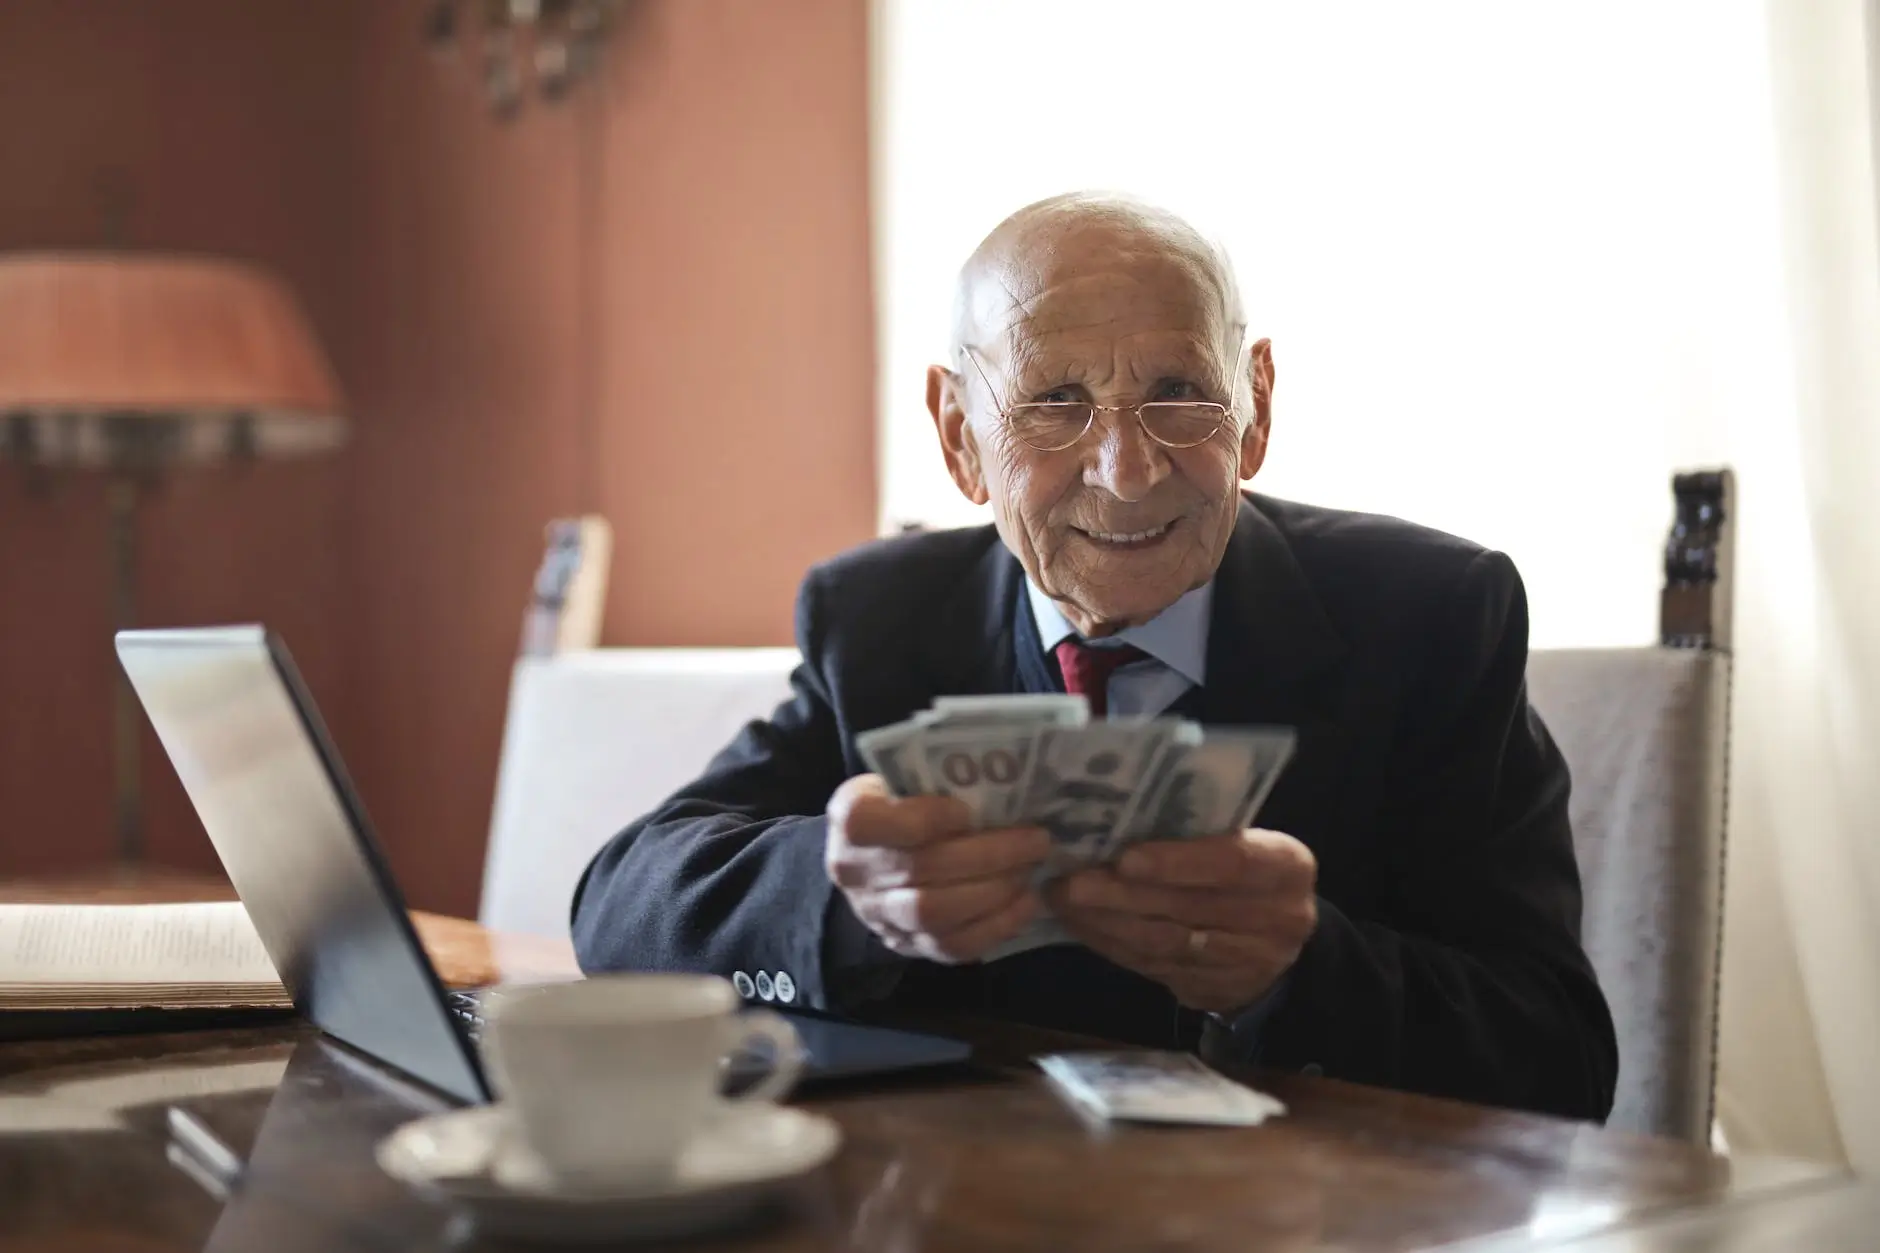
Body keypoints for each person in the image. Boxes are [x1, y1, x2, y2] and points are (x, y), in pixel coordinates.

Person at [572, 193, 1618, 1121]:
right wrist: (846, 895)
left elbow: (1559, 1058)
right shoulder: (882, 619)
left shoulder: (1430, 615)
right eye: (1053, 403)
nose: (1124, 471)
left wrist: (1297, 969)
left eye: (1177, 391)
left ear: (1253, 406)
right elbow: (620, 906)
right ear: (957, 436)